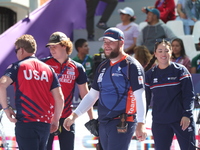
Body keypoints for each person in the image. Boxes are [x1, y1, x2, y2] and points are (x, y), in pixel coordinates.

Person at [63, 27, 147, 150]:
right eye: (105, 42)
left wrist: (141, 123)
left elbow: (140, 96)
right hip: (103, 122)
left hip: (122, 122)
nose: (106, 45)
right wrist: (74, 115)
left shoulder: (132, 65)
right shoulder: (102, 65)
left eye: (111, 42)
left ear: (121, 42)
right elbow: (92, 95)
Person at [0, 34, 64, 150]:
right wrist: (55, 120)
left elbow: (1, 84)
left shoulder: (18, 66)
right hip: (44, 123)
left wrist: (6, 108)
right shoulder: (48, 69)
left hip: (26, 121)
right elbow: (59, 98)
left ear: (22, 50)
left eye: (16, 50)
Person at [41, 32, 94, 150]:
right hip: (46, 118)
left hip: (66, 119)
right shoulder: (43, 64)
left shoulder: (77, 67)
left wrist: (91, 119)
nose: (51, 50)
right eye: (50, 47)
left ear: (64, 45)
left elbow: (86, 95)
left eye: (54, 46)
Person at [145, 39, 196, 150]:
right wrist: (141, 121)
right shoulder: (149, 75)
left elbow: (189, 95)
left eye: (166, 51)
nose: (163, 54)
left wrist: (187, 114)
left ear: (171, 52)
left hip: (182, 120)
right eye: (160, 51)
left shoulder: (180, 70)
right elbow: (145, 100)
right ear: (155, 54)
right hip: (160, 122)